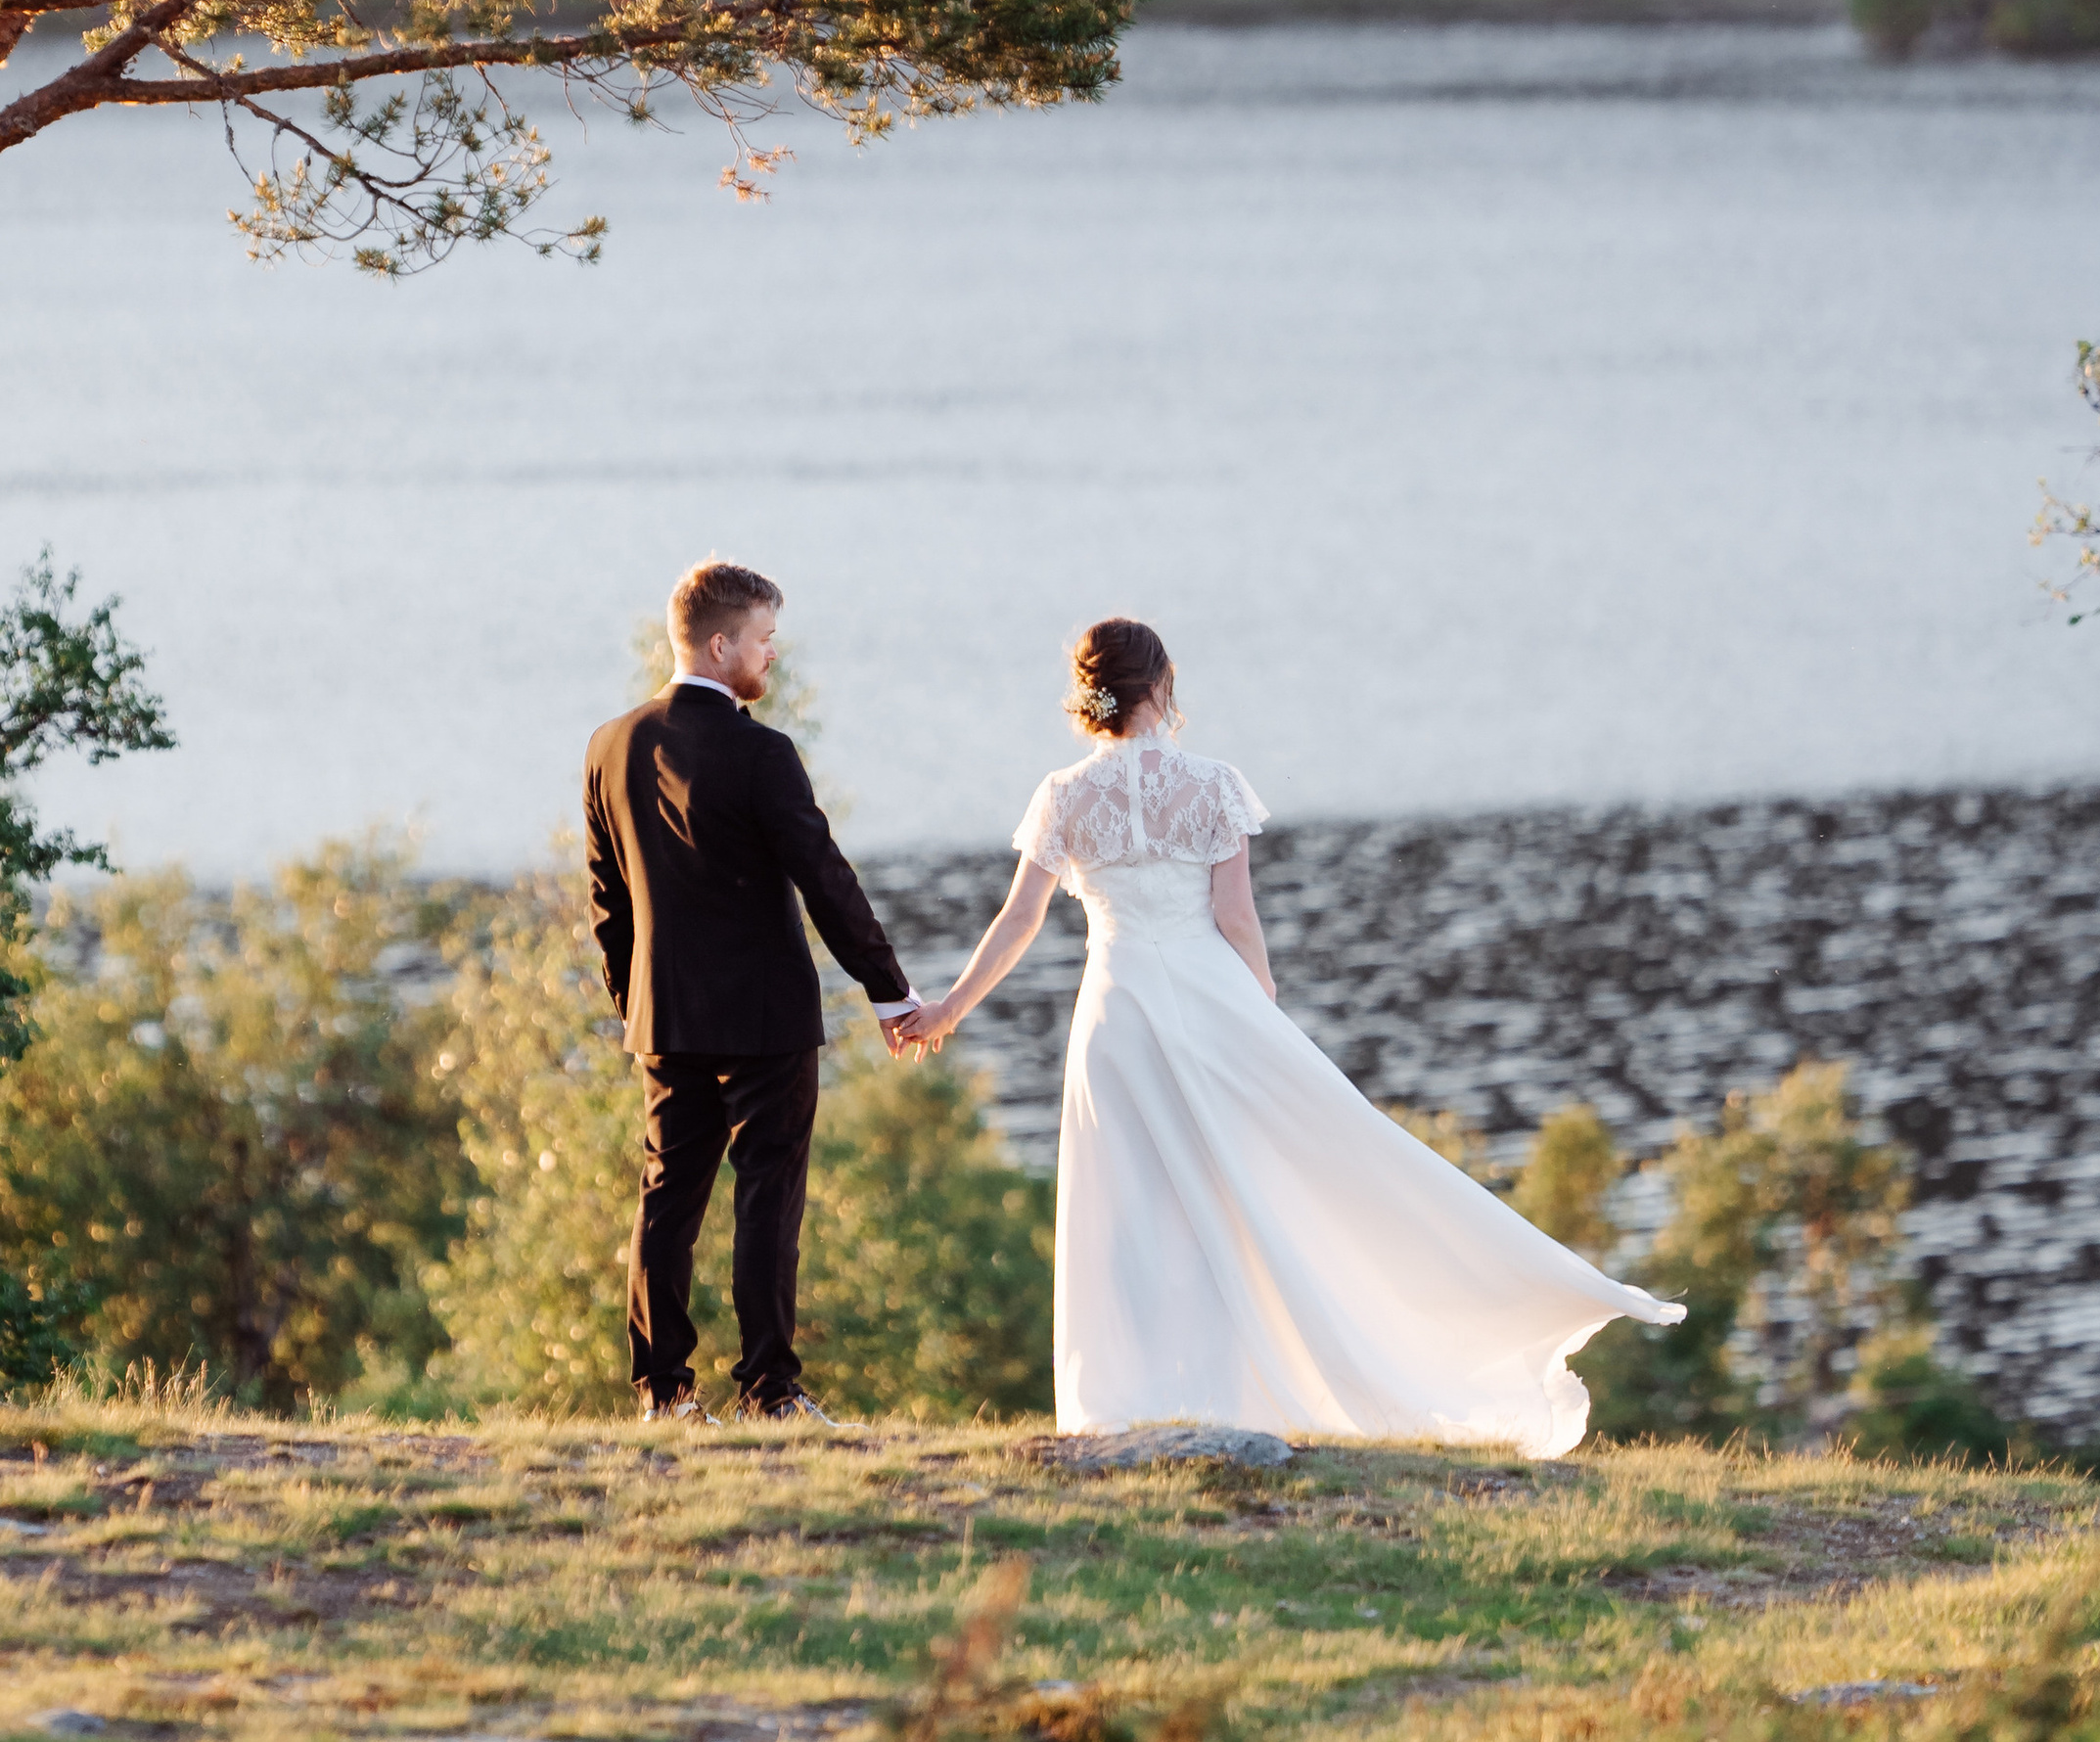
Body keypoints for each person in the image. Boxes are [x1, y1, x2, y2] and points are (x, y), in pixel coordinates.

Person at [894, 617, 1682, 1454]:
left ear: (1089, 695)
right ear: (1162, 685)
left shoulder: (1061, 795)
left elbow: (1020, 920)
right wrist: (1260, 1012)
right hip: (1210, 1002)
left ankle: (1125, 1396)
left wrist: (948, 1009)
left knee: (1127, 1207)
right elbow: (1236, 917)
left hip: (1117, 1012)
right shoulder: (1213, 784)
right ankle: (1262, 1377)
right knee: (1254, 1187)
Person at [584, 559, 922, 1425]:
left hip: (665, 1018)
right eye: (765, 640)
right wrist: (887, 991)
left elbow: (606, 901)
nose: (773, 657)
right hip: (766, 1020)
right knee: (767, 1200)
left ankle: (663, 1396)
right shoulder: (762, 752)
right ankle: (769, 1392)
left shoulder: (610, 745)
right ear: (721, 643)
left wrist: (637, 1005)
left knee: (668, 1201)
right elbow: (824, 876)